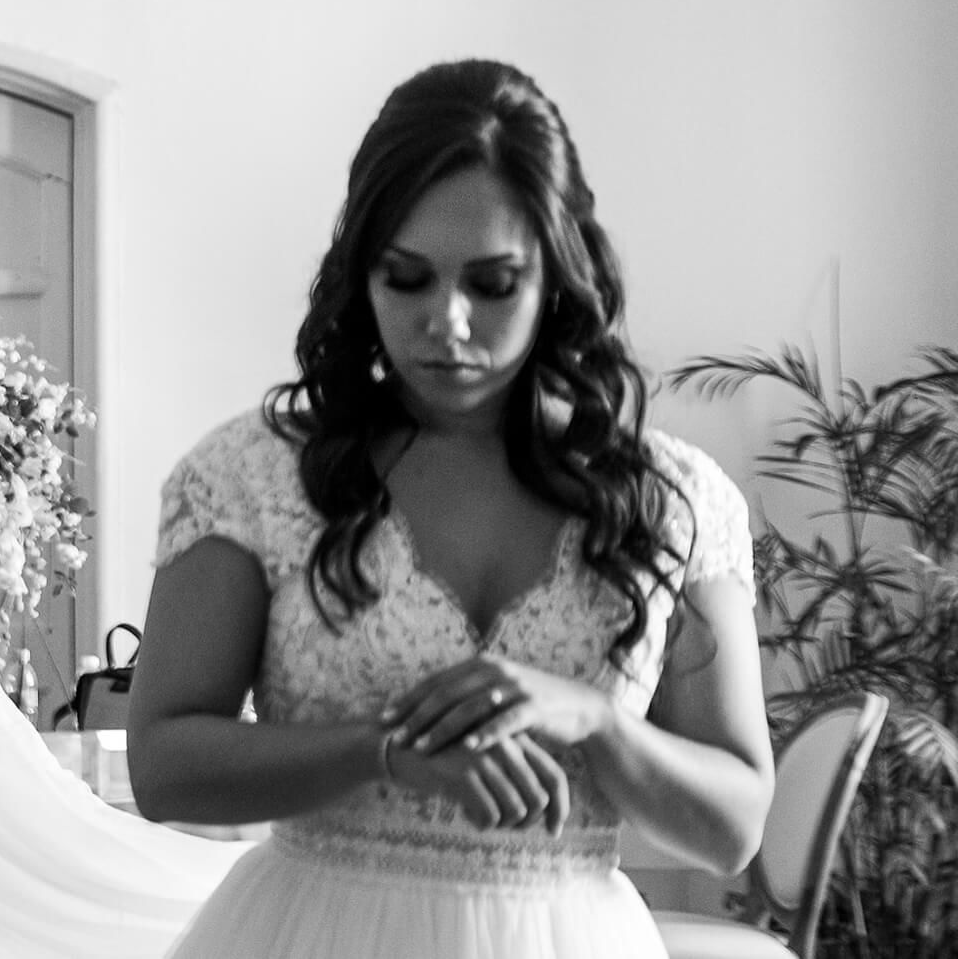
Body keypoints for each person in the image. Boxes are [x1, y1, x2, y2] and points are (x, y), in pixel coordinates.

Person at [127, 60, 775, 957]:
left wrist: (594, 719)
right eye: (408, 278)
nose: (450, 321)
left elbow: (735, 827)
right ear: (363, 276)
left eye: (494, 282)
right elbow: (161, 766)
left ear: (558, 274)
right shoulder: (250, 475)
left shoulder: (673, 500)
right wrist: (382, 749)